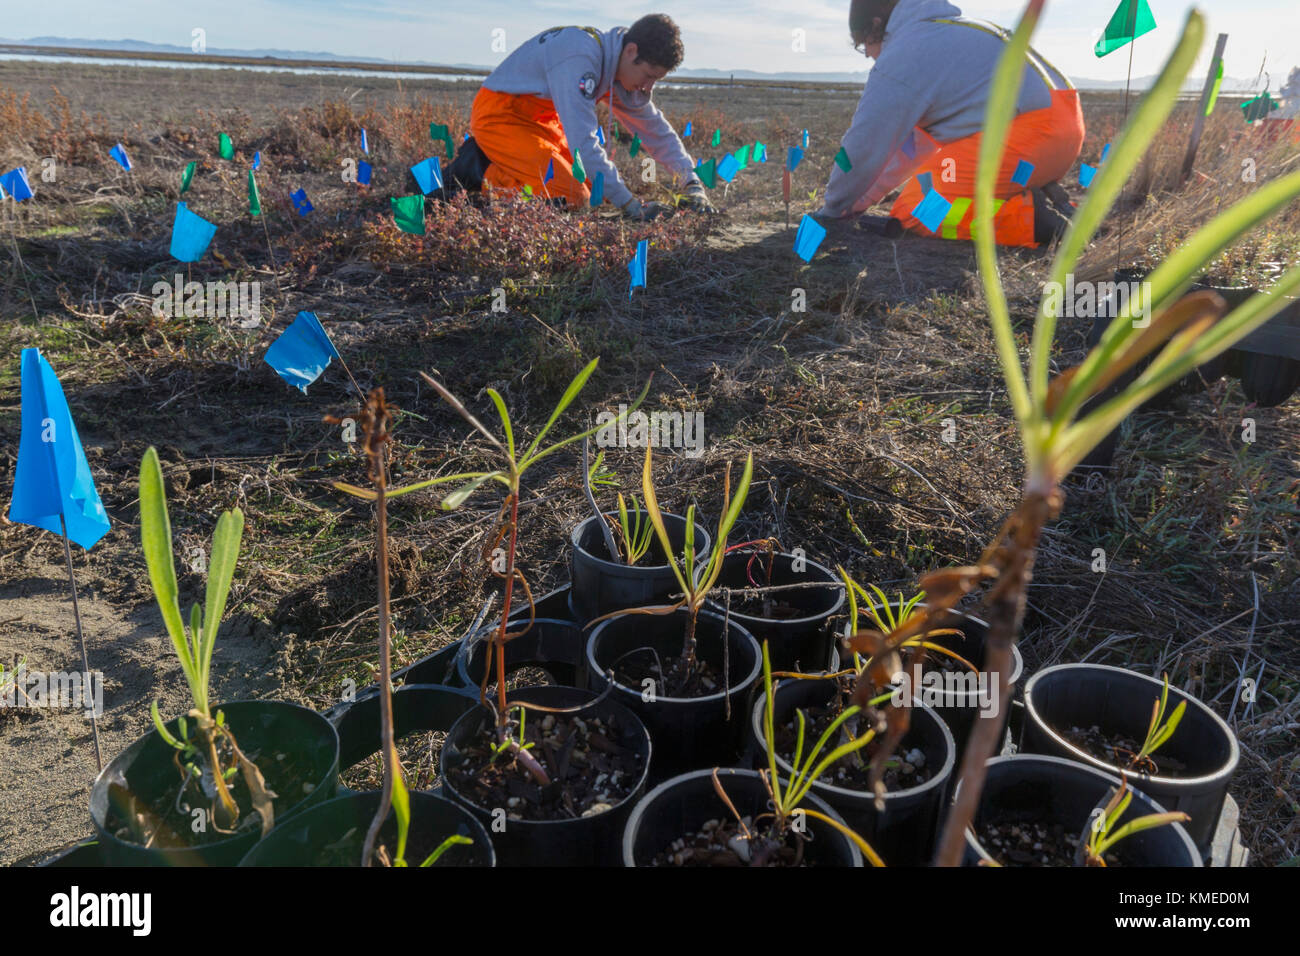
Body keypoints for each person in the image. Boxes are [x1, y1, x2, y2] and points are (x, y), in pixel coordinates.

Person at [816, 0, 1084, 247]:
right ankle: (1050, 204)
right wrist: (854, 203)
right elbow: (911, 150)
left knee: (918, 208)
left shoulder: (904, 54)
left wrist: (833, 208)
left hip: (1029, 137)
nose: (866, 56)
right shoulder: (955, 31)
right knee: (935, 185)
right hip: (1064, 130)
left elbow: (864, 144)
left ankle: (1029, 220)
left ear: (876, 26)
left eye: (864, 45)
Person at [445, 14, 713, 220]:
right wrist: (632, 207)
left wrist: (691, 182)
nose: (648, 87)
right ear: (631, 51)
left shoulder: (618, 67)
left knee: (595, 192)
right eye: (649, 76)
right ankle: (475, 170)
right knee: (572, 195)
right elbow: (583, 145)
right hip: (500, 116)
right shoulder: (581, 58)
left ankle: (503, 163)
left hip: (541, 123)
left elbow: (654, 129)